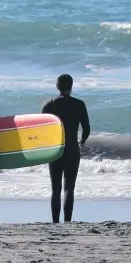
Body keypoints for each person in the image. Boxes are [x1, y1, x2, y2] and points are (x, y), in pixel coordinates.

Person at [41, 74, 90, 223]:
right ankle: (67, 221)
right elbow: (86, 128)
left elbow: (42, 128)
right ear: (72, 86)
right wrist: (82, 141)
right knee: (69, 188)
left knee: (55, 189)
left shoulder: (49, 104)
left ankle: (55, 222)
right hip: (72, 150)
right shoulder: (79, 104)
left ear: (57, 87)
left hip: (55, 150)